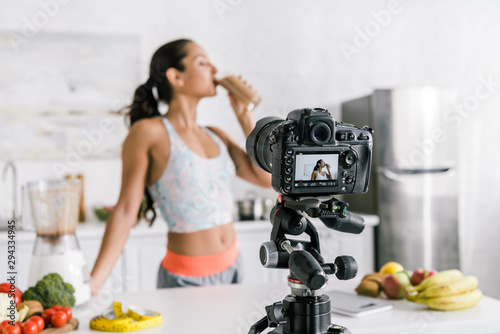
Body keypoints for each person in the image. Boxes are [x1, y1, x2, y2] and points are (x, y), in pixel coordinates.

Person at [90, 39, 271, 294]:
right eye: (202, 62)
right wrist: (94, 283)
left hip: (234, 268)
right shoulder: (148, 132)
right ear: (176, 77)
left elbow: (265, 178)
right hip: (186, 279)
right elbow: (126, 210)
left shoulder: (215, 134)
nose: (214, 69)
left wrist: (245, 118)